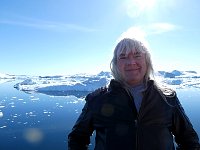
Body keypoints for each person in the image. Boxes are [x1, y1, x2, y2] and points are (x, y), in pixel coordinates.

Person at [68, 38, 200, 150]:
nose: (131, 62)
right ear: (115, 64)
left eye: (137, 55)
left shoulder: (167, 97)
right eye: (123, 57)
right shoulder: (97, 100)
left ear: (146, 60)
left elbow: (189, 139)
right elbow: (77, 138)